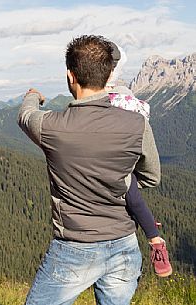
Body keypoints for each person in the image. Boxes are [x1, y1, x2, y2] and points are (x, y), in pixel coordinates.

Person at [18, 35, 161, 305]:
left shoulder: (51, 126)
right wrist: (117, 181)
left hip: (74, 247)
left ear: (70, 76)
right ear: (109, 75)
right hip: (124, 244)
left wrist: (34, 96)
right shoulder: (137, 124)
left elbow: (25, 115)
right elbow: (151, 177)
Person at [107, 41, 172, 277]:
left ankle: (156, 240)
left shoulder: (118, 94)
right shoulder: (113, 90)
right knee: (131, 195)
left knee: (132, 195)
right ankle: (151, 231)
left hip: (121, 158)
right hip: (113, 155)